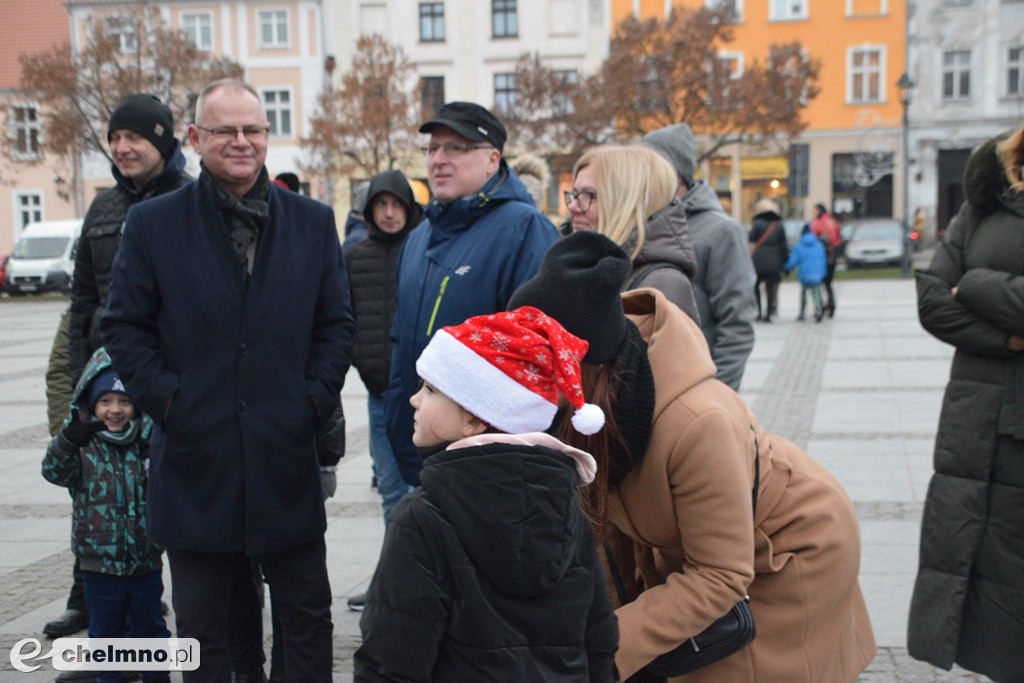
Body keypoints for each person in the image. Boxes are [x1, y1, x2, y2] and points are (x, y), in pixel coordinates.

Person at [508, 231, 876, 682]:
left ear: (583, 365)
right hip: (711, 550)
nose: (524, 376)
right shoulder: (581, 410)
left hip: (790, 548)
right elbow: (606, 536)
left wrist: (604, 649)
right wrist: (595, 637)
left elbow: (720, 574)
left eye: (538, 361)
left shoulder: (698, 423)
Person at [100, 79, 354, 682]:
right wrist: (170, 403)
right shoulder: (154, 223)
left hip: (284, 453)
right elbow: (124, 327)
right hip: (195, 458)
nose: (242, 142)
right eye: (225, 131)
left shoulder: (312, 222)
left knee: (306, 616)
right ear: (195, 138)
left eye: (254, 130)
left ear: (267, 136)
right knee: (206, 626)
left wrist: (313, 400)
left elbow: (336, 323)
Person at [354, 308, 618, 682]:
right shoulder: (566, 507)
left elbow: (393, 653)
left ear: (475, 419)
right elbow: (599, 638)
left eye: (430, 389)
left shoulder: (421, 517)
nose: (415, 400)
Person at [43, 93, 192, 653]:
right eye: (115, 139)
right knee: (96, 491)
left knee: (157, 491)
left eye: (135, 138)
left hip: (163, 373)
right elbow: (84, 297)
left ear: (163, 141)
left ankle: (155, 596)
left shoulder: (190, 199)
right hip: (105, 376)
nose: (123, 148)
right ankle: (88, 595)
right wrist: (82, 382)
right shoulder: (103, 208)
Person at [381, 101, 557, 492]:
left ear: (493, 159)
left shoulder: (525, 229)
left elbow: (535, 358)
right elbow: (400, 342)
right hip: (418, 447)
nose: (439, 160)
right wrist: (397, 420)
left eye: (456, 148)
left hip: (484, 467)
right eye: (432, 148)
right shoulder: (417, 238)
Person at [908, 128, 1024, 681]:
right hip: (975, 425)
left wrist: (976, 284)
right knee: (978, 570)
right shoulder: (990, 194)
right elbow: (932, 297)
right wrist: (1007, 338)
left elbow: (957, 286)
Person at [41, 348, 171, 683]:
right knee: (106, 633)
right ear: (92, 405)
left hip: (144, 560)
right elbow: (53, 473)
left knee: (152, 630)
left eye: (124, 401)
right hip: (98, 564)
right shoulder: (84, 445)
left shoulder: (146, 442)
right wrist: (66, 441)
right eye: (106, 401)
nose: (115, 410)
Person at [639, 123, 756, 391]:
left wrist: (719, 395)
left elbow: (736, 327)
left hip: (699, 392)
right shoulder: (647, 223)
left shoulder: (721, 231)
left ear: (675, 174)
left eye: (648, 168)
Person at [566, 144, 700, 323]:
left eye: (589, 195)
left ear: (628, 203)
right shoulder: (578, 265)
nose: (572, 207)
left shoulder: (663, 285)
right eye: (574, 194)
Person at [748, 198, 789, 323]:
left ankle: (758, 311)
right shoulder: (779, 224)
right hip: (774, 260)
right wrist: (784, 262)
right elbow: (783, 245)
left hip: (758, 260)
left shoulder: (757, 223)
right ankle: (769, 311)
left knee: (756, 286)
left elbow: (750, 238)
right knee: (771, 287)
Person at [783, 224, 828, 322]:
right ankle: (818, 309)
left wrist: (785, 267)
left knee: (803, 293)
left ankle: (802, 312)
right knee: (817, 292)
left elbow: (793, 261)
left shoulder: (799, 246)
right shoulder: (819, 245)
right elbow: (823, 260)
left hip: (805, 274)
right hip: (817, 274)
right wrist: (823, 273)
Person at [810, 203, 841, 317]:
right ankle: (831, 304)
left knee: (820, 282)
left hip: (822, 255)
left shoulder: (818, 223)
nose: (812, 213)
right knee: (828, 283)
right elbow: (836, 239)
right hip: (832, 255)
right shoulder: (831, 221)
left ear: (819, 211)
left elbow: (813, 239)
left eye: (814, 211)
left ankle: (821, 306)